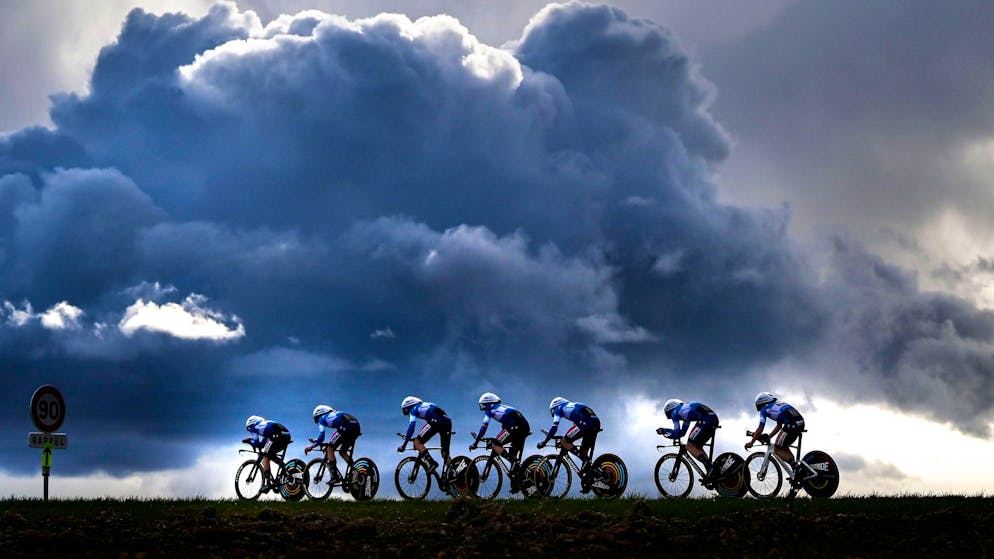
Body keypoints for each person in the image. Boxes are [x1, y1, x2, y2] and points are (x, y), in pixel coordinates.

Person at [537, 396, 601, 492]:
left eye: (552, 411)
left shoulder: (559, 408)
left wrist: (545, 442)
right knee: (583, 453)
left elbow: (554, 427)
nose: (553, 413)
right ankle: (589, 481)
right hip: (595, 423)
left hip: (585, 422)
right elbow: (575, 431)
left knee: (564, 441)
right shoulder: (573, 406)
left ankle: (585, 461)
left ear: (555, 406)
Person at [470, 392, 531, 492]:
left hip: (516, 426)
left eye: (483, 405)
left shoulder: (489, 411)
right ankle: (517, 481)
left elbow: (483, 427)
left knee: (495, 443)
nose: (483, 408)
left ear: (490, 404)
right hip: (522, 426)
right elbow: (505, 426)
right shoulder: (501, 407)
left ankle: (513, 463)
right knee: (512, 453)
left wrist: (475, 443)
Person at [745, 391, 805, 483]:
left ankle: (797, 467)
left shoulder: (764, 409)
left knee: (777, 449)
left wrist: (751, 442)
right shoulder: (778, 405)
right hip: (800, 423)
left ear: (761, 403)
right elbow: (779, 426)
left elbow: (760, 428)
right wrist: (769, 437)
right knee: (783, 446)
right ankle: (796, 472)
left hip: (791, 425)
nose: (759, 408)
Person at [656, 399, 720, 481]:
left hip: (705, 419)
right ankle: (711, 472)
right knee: (697, 447)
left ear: (668, 410)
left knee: (689, 446)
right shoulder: (684, 411)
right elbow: (682, 433)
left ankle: (710, 467)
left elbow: (676, 433)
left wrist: (664, 431)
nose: (671, 417)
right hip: (713, 418)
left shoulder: (674, 412)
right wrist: (673, 434)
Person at [304, 404, 361, 483]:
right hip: (356, 428)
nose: (317, 421)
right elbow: (322, 438)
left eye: (316, 419)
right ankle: (357, 472)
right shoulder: (333, 414)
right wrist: (317, 440)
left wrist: (311, 447)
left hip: (345, 427)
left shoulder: (321, 418)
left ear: (318, 414)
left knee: (329, 448)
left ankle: (334, 477)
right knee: (342, 452)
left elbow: (322, 437)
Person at [397, 396, 452, 471]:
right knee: (445, 454)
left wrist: (404, 445)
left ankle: (431, 463)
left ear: (409, 406)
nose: (408, 414)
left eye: (406, 410)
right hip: (447, 422)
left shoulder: (414, 409)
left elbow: (412, 426)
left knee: (417, 443)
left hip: (436, 421)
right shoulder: (426, 405)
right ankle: (452, 475)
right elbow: (427, 431)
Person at [243, 415, 291, 492]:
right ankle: (284, 470)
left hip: (277, 435)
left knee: (265, 457)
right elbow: (263, 444)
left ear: (250, 425)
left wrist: (249, 441)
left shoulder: (255, 427)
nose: (251, 431)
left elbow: (257, 443)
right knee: (268, 454)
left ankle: (268, 484)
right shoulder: (265, 427)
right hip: (286, 435)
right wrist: (256, 443)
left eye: (249, 429)